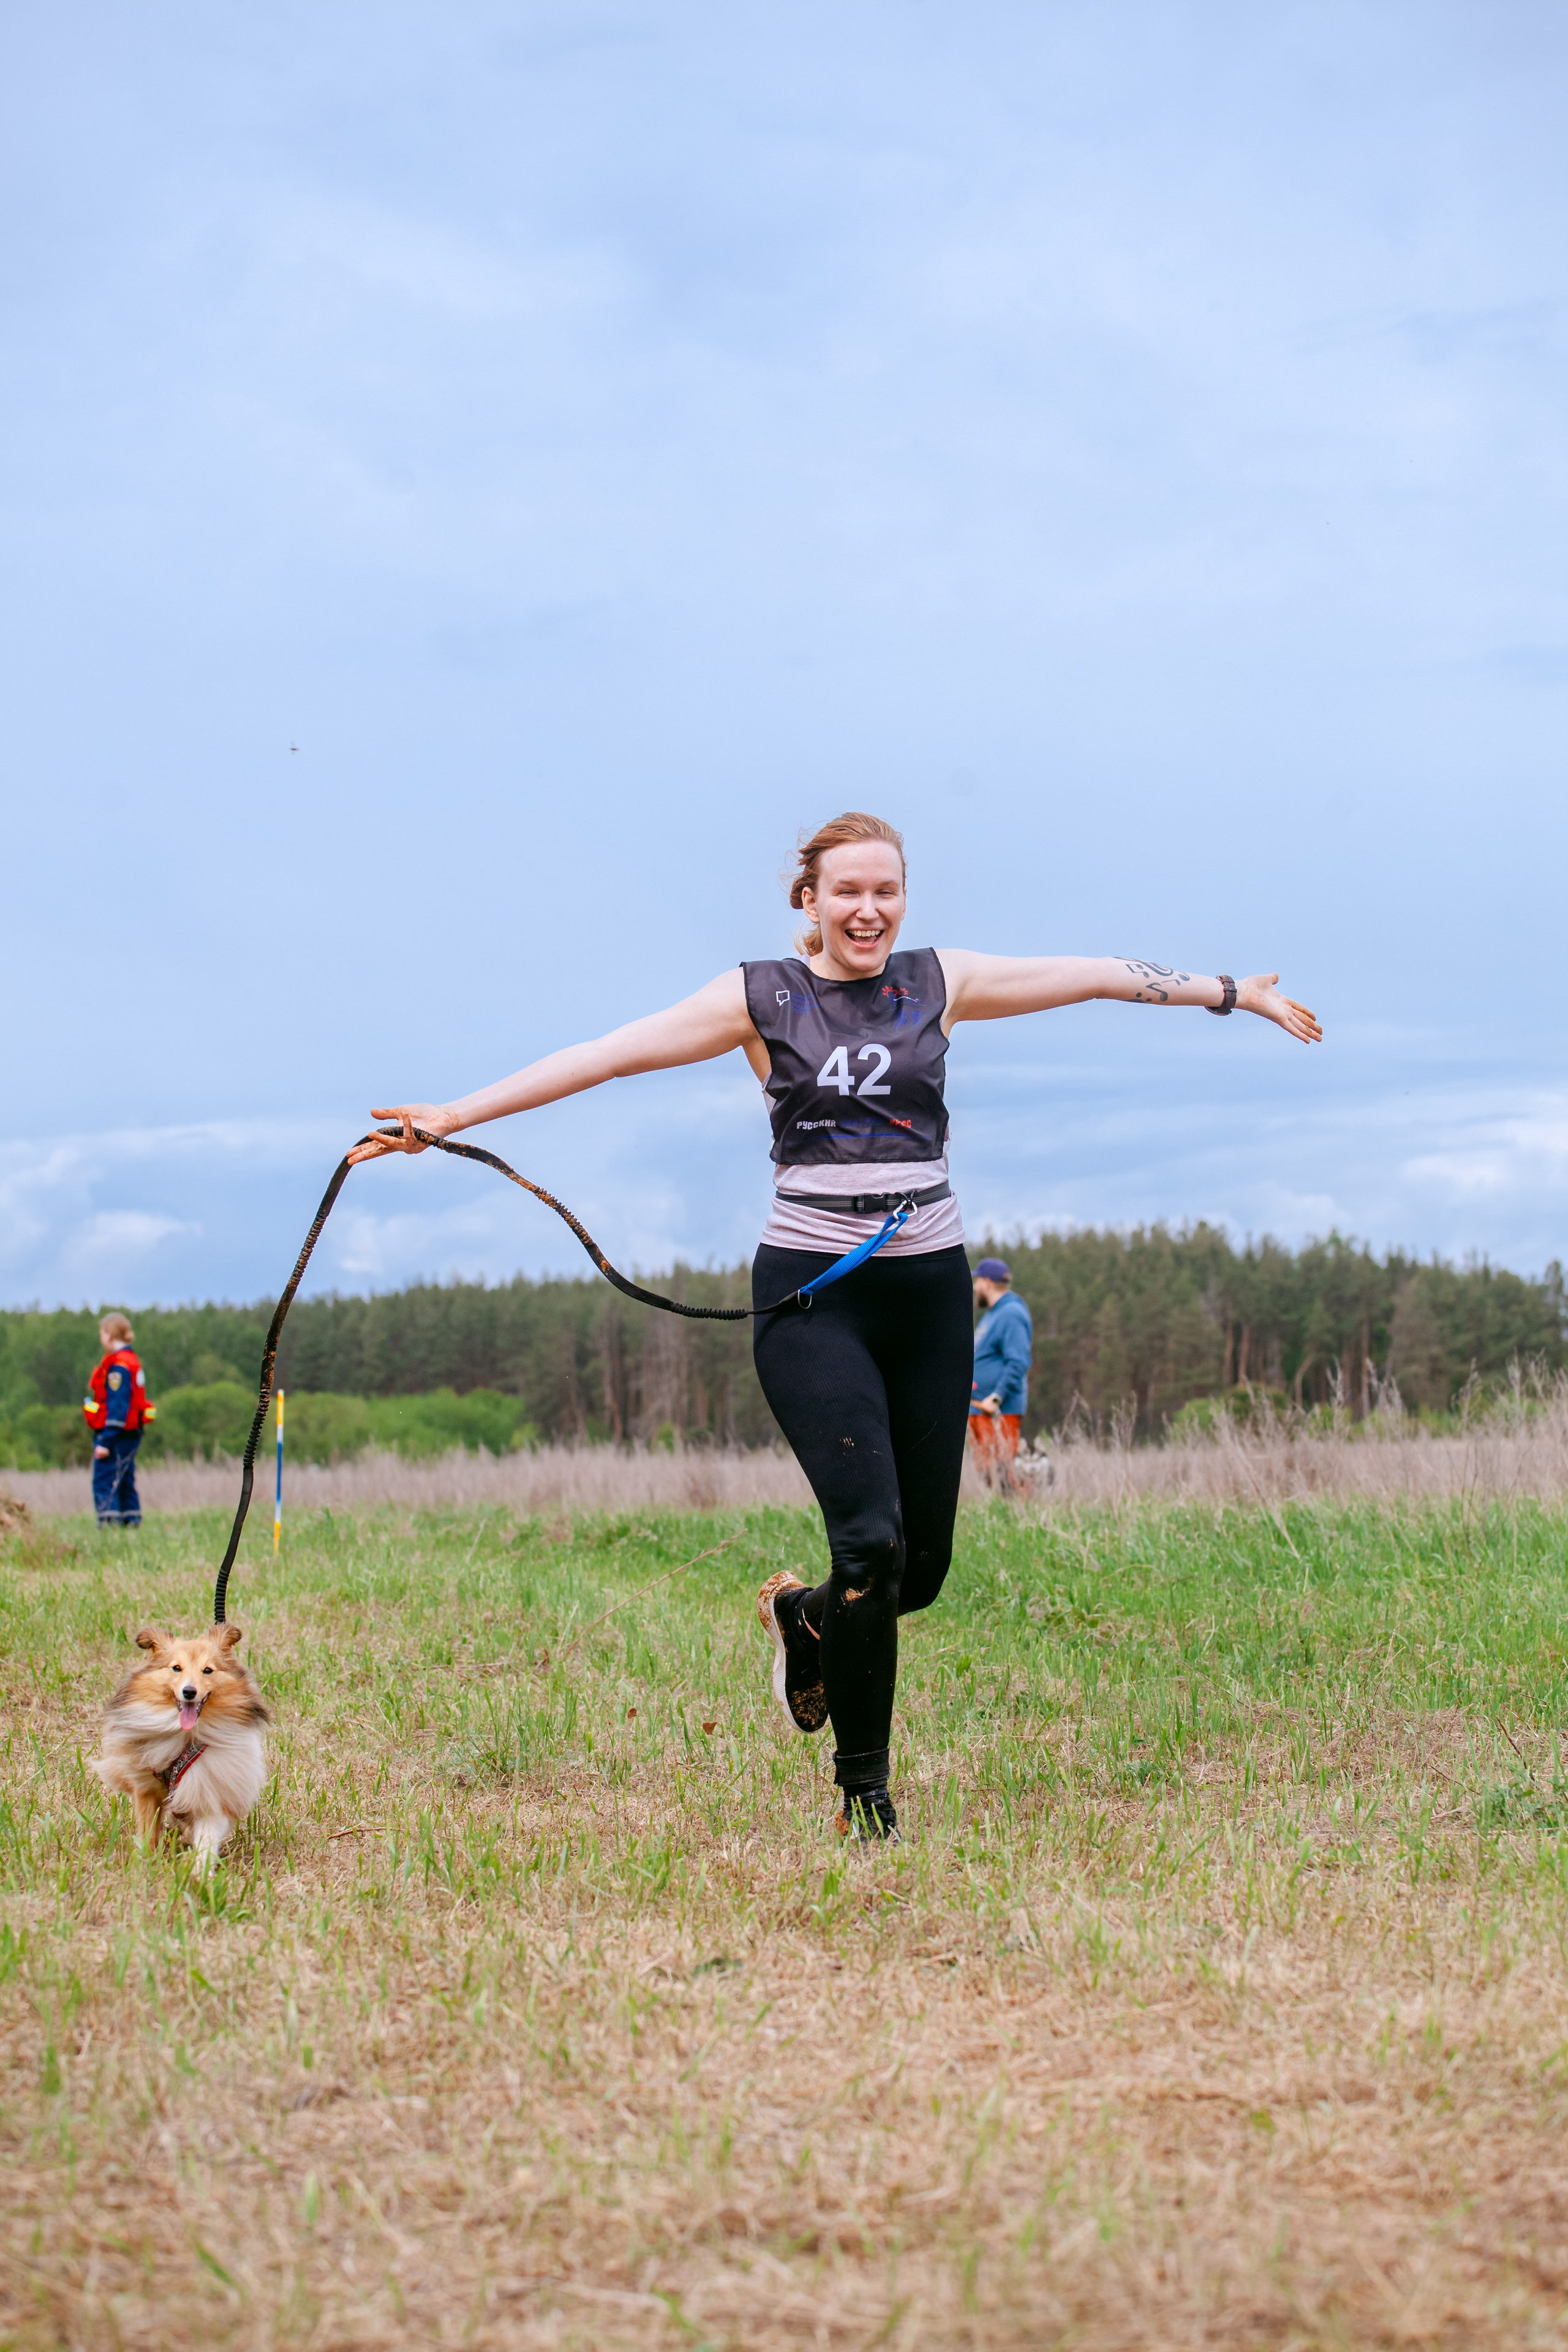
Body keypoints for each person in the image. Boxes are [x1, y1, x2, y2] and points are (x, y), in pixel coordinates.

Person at [353, 810, 1319, 1841]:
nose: (869, 909)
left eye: (887, 891)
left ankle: (804, 1619)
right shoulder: (760, 995)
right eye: (847, 891)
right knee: (870, 1543)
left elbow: (1094, 974)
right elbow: (606, 1055)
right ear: (807, 900)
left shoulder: (943, 982)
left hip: (927, 1292)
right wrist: (453, 1117)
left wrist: (1232, 992)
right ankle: (867, 1800)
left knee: (921, 1571)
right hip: (814, 1293)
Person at [84, 1313, 156, 1528]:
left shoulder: (118, 1368)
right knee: (124, 1479)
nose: (101, 1339)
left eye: (102, 1334)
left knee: (105, 1480)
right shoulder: (132, 1361)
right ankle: (131, 1521)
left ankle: (109, 1524)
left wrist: (105, 1442)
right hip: (132, 1432)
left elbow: (117, 1408)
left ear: (109, 1335)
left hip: (117, 1434)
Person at [969, 1257, 1032, 1486]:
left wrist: (996, 1397)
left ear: (986, 1283)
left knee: (1006, 1478)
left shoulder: (1012, 1314)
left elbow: (1018, 1361)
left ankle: (1022, 1515)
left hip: (998, 1411)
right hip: (979, 1409)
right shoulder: (993, 1315)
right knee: (990, 1480)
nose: (975, 1288)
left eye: (977, 1282)